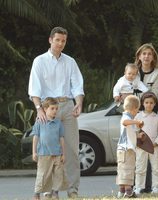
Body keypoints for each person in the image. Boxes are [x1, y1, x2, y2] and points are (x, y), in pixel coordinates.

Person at [28, 27, 84, 198]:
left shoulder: (70, 62)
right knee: (48, 152)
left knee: (72, 150)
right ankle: (49, 191)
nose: (60, 43)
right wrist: (39, 109)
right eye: (57, 40)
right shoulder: (39, 61)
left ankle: (72, 190)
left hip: (66, 106)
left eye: (63, 41)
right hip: (46, 109)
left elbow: (77, 85)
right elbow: (34, 89)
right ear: (50, 40)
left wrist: (79, 103)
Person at [134, 43, 158, 192]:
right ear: (139, 56)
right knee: (139, 155)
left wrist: (141, 100)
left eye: (149, 54)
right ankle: (137, 186)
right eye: (144, 53)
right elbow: (125, 88)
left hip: (150, 113)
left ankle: (152, 186)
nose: (146, 56)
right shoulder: (133, 72)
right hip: (135, 115)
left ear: (153, 57)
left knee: (152, 156)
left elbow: (154, 95)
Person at [32, 97, 67, 200]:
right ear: (45, 109)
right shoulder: (39, 122)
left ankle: (55, 193)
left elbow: (61, 139)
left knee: (58, 174)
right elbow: (35, 137)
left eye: (56, 109)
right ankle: (36, 194)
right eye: (52, 108)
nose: (55, 111)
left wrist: (63, 154)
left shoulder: (58, 123)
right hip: (43, 154)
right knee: (43, 175)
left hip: (57, 154)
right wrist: (34, 152)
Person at [134, 92, 158, 195]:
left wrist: (156, 143)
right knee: (140, 167)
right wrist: (138, 140)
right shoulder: (138, 116)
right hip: (141, 147)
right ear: (142, 103)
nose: (149, 105)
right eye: (146, 102)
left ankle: (156, 187)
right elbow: (135, 131)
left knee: (156, 167)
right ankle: (138, 187)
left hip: (154, 147)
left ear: (155, 104)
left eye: (151, 103)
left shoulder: (157, 118)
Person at [116, 95, 144, 198]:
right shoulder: (126, 117)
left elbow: (130, 132)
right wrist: (136, 122)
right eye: (137, 110)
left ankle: (122, 190)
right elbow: (125, 122)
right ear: (134, 109)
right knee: (127, 169)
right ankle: (128, 191)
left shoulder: (129, 118)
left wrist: (138, 135)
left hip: (125, 148)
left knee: (123, 169)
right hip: (126, 149)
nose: (137, 113)